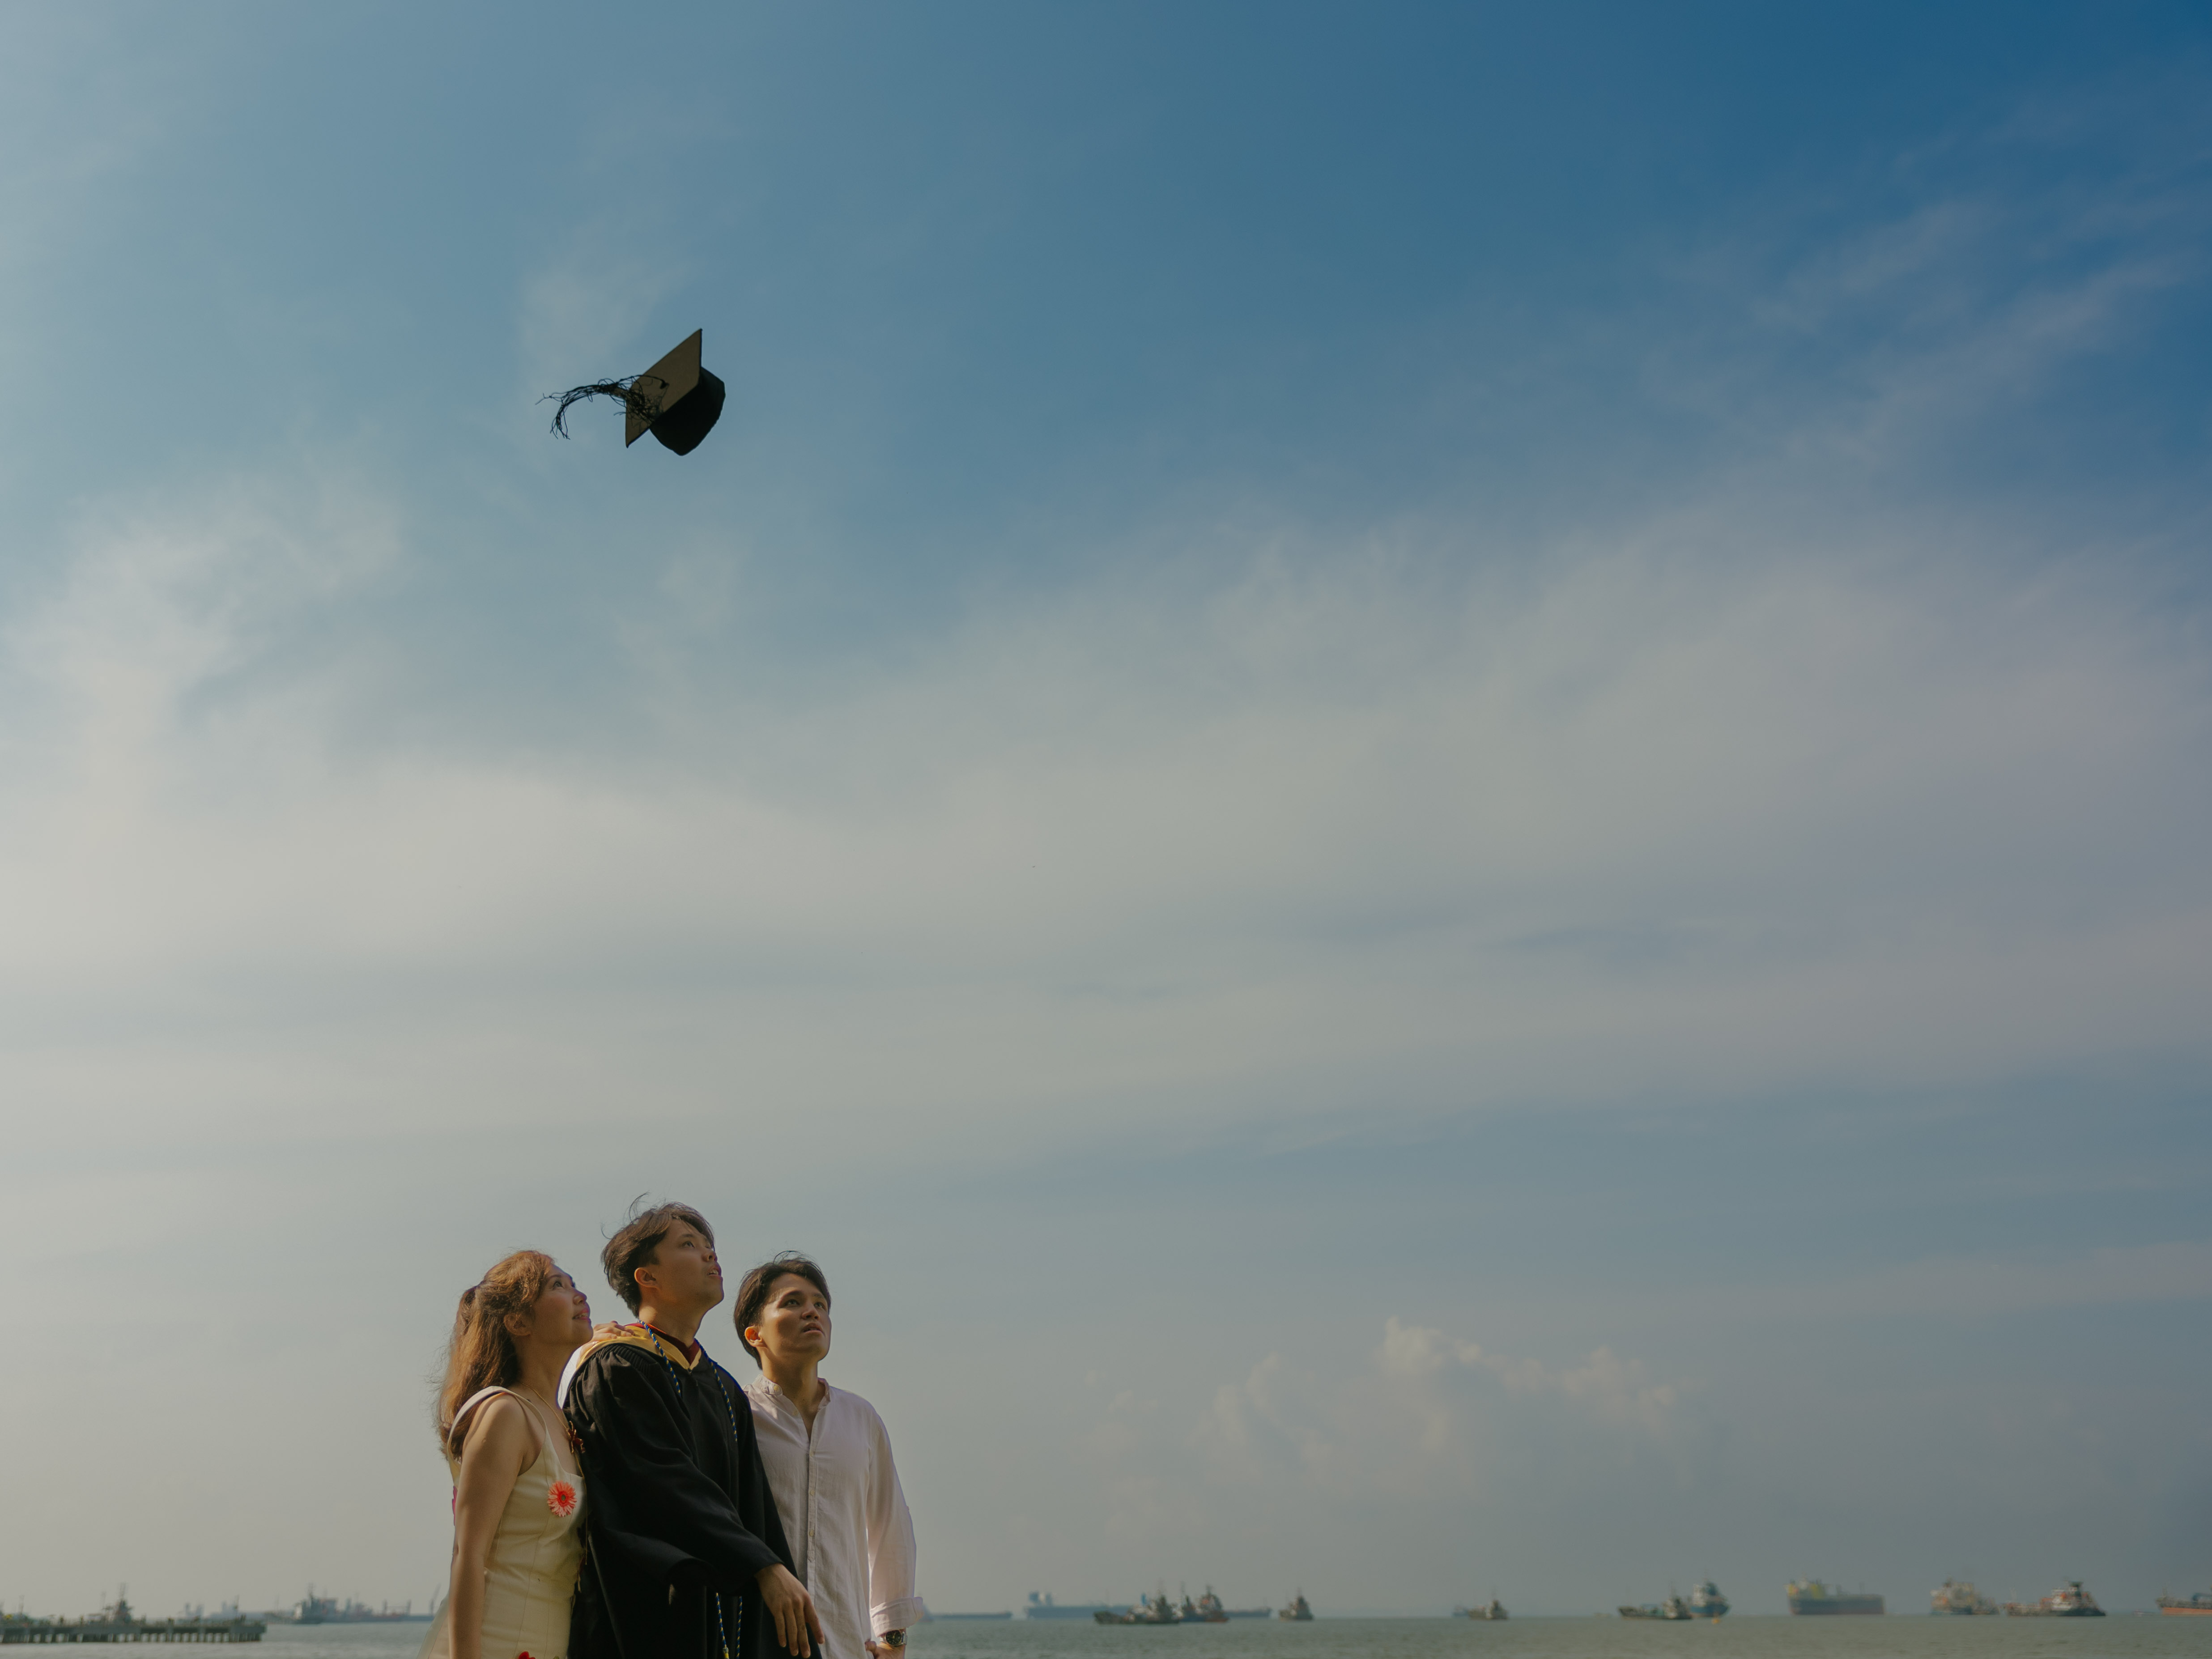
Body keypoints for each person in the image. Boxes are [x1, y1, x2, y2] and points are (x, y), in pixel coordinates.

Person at [561, 1203, 822, 1659]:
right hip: (644, 1613)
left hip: (721, 1615)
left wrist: (772, 1571)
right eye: (688, 1245)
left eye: (709, 1246)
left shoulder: (723, 1387)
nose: (710, 1255)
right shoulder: (616, 1366)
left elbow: (755, 1511)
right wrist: (761, 1566)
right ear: (648, 1277)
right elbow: (662, 1482)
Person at [735, 1255, 922, 1659]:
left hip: (849, 1643)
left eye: (820, 1304)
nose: (812, 1312)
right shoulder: (735, 1416)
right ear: (755, 1334)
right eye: (792, 1302)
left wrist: (892, 1639)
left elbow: (890, 1528)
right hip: (760, 1643)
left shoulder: (861, 1418)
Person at [421, 1251, 595, 1659]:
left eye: (574, 1283)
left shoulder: (564, 1419)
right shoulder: (506, 1413)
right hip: (489, 1644)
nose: (580, 1295)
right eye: (557, 1285)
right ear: (518, 1322)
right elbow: (468, 1554)